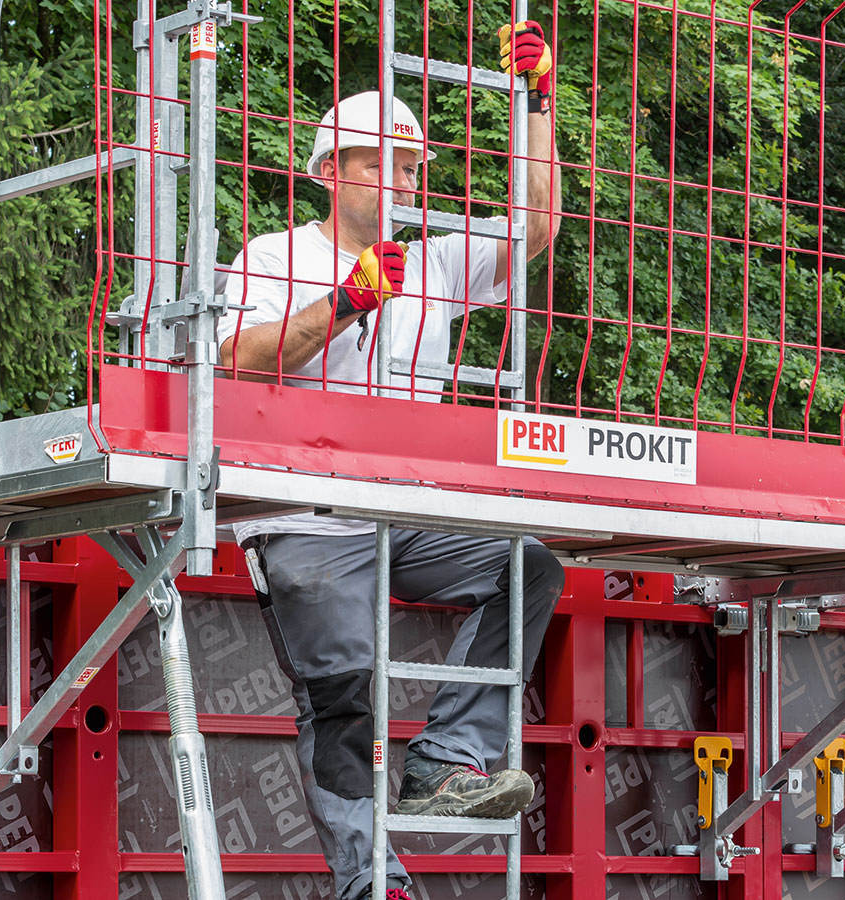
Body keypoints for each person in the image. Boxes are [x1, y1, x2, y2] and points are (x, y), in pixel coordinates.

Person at [216, 22, 564, 900]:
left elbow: (538, 226)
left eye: (414, 168)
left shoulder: (438, 260)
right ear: (330, 171)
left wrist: (539, 105)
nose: (406, 182)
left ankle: (446, 759)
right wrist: (344, 302)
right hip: (305, 514)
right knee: (346, 695)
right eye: (386, 165)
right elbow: (240, 361)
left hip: (409, 509)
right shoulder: (274, 255)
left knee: (529, 567)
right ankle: (372, 883)